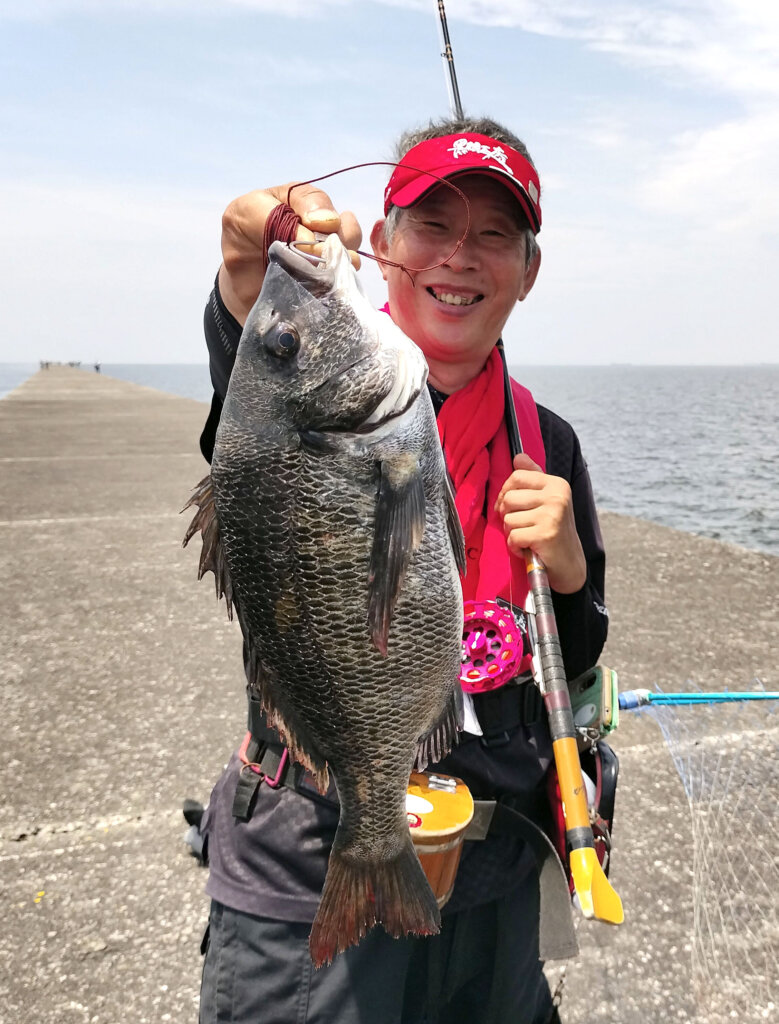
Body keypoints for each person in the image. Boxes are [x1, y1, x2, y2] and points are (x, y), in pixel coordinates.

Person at [194, 116, 608, 1024]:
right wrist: (241, 284)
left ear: (527, 272)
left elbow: (570, 665)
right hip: (308, 861)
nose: (459, 257)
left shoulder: (549, 443)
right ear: (379, 245)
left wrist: (572, 571)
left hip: (493, 877)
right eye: (431, 225)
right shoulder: (298, 396)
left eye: (494, 234)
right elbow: (255, 388)